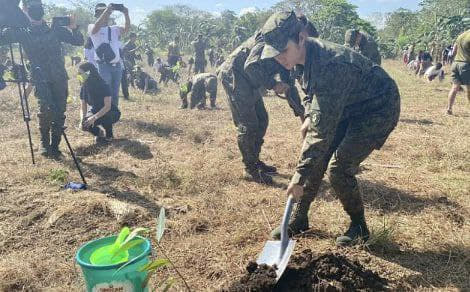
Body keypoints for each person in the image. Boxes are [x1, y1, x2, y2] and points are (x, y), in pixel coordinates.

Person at [262, 11, 400, 246]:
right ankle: (299, 219)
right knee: (317, 158)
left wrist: (297, 176)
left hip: (377, 107)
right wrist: (308, 113)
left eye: (283, 51)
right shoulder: (297, 58)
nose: (279, 58)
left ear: (301, 39)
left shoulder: (331, 64)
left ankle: (359, 227)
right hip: (349, 103)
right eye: (274, 53)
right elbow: (309, 90)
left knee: (338, 167)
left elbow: (320, 133)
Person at [218, 12, 313, 185]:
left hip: (250, 80)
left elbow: (289, 85)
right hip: (236, 75)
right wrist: (272, 84)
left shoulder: (290, 46)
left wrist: (302, 115)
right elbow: (250, 66)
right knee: (248, 124)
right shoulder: (270, 37)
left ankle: (254, 159)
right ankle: (251, 169)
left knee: (262, 119)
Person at [0, 0, 84, 158]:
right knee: (45, 110)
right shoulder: (22, 32)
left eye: (38, 6)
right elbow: (2, 38)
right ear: (25, 9)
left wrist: (74, 28)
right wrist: (6, 19)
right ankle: (45, 144)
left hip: (59, 77)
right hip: (40, 78)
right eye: (31, 7)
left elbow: (79, 41)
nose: (35, 9)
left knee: (59, 111)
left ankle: (55, 145)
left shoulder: (55, 29)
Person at [88, 3, 130, 109]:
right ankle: (102, 113)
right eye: (101, 12)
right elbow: (94, 30)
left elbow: (126, 29)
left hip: (117, 66)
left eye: (106, 12)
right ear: (97, 14)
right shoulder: (92, 27)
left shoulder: (114, 28)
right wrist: (106, 11)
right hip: (103, 66)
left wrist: (126, 14)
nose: (105, 14)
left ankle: (113, 114)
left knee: (115, 93)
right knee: (105, 92)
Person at [78, 62, 120, 143]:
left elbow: (107, 107)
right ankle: (99, 134)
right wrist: (82, 120)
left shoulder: (103, 85)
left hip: (111, 112)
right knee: (84, 124)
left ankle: (109, 135)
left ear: (88, 72)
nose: (78, 75)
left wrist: (93, 118)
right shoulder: (84, 87)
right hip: (95, 110)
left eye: (80, 73)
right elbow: (83, 107)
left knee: (105, 116)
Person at [446, 30, 470, 115]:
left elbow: (454, 51)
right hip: (466, 64)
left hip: (456, 63)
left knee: (454, 88)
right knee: (469, 88)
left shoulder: (461, 35)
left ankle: (449, 108)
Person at [121, 32, 138, 100]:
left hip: (132, 60)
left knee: (133, 73)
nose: (135, 39)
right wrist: (135, 49)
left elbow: (133, 54)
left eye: (136, 38)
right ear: (131, 37)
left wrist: (137, 57)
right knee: (129, 74)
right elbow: (126, 53)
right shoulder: (126, 44)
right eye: (134, 37)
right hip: (127, 61)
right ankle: (129, 85)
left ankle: (132, 85)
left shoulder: (133, 44)